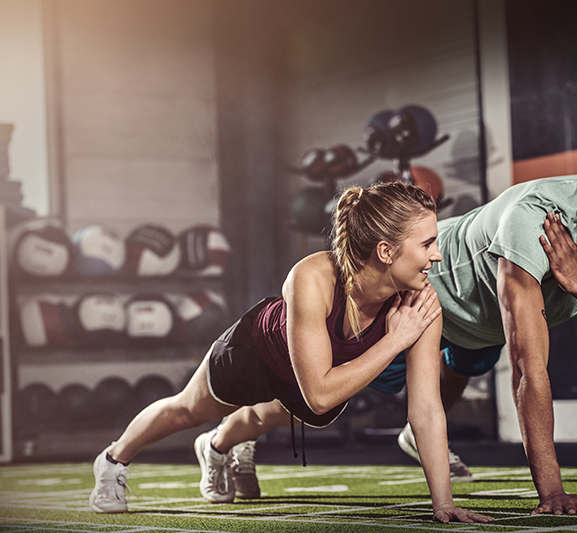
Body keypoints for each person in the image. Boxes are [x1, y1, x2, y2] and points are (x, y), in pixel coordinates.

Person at [89, 182, 493, 525]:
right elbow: (319, 393)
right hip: (257, 352)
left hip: (320, 373)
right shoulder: (312, 276)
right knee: (187, 411)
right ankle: (112, 461)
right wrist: (393, 341)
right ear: (386, 252)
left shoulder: (421, 302)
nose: (438, 255)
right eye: (428, 243)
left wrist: (443, 503)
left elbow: (425, 407)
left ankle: (215, 447)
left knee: (266, 415)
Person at [396, 104, 577, 515]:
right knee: (326, 395)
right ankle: (270, 414)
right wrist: (552, 491)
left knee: (467, 362)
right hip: (420, 285)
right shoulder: (537, 217)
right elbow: (527, 369)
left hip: (481, 324)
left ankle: (415, 432)